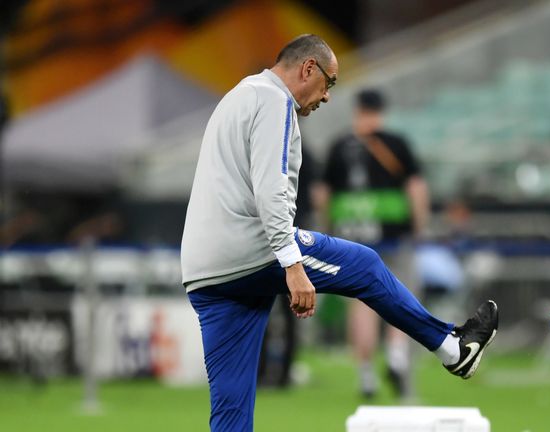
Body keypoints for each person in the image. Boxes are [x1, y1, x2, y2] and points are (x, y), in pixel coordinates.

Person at [180, 34, 498, 431]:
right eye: (329, 82)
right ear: (307, 68)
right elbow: (272, 188)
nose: (328, 96)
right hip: (252, 251)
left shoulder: (239, 95)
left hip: (205, 272)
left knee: (230, 411)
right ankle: (454, 349)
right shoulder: (274, 101)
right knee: (364, 265)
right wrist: (292, 264)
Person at [318, 88, 429, 400]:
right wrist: (418, 227)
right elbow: (416, 188)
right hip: (393, 234)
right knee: (399, 295)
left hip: (352, 236)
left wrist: (327, 231)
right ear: (381, 111)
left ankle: (366, 375)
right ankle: (395, 355)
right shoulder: (396, 144)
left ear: (358, 110)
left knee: (361, 306)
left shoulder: (339, 145)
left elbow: (324, 195)